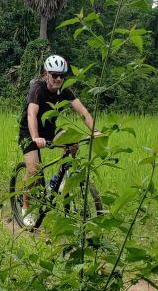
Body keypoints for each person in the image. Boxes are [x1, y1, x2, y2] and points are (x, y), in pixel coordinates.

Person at [17, 54, 98, 227]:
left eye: (62, 76)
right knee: (34, 170)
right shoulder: (37, 89)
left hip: (49, 132)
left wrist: (95, 131)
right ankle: (25, 207)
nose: (58, 79)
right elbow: (32, 114)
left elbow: (82, 112)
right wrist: (35, 138)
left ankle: (58, 181)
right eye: (54, 75)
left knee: (73, 144)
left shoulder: (65, 91)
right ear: (46, 74)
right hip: (29, 133)